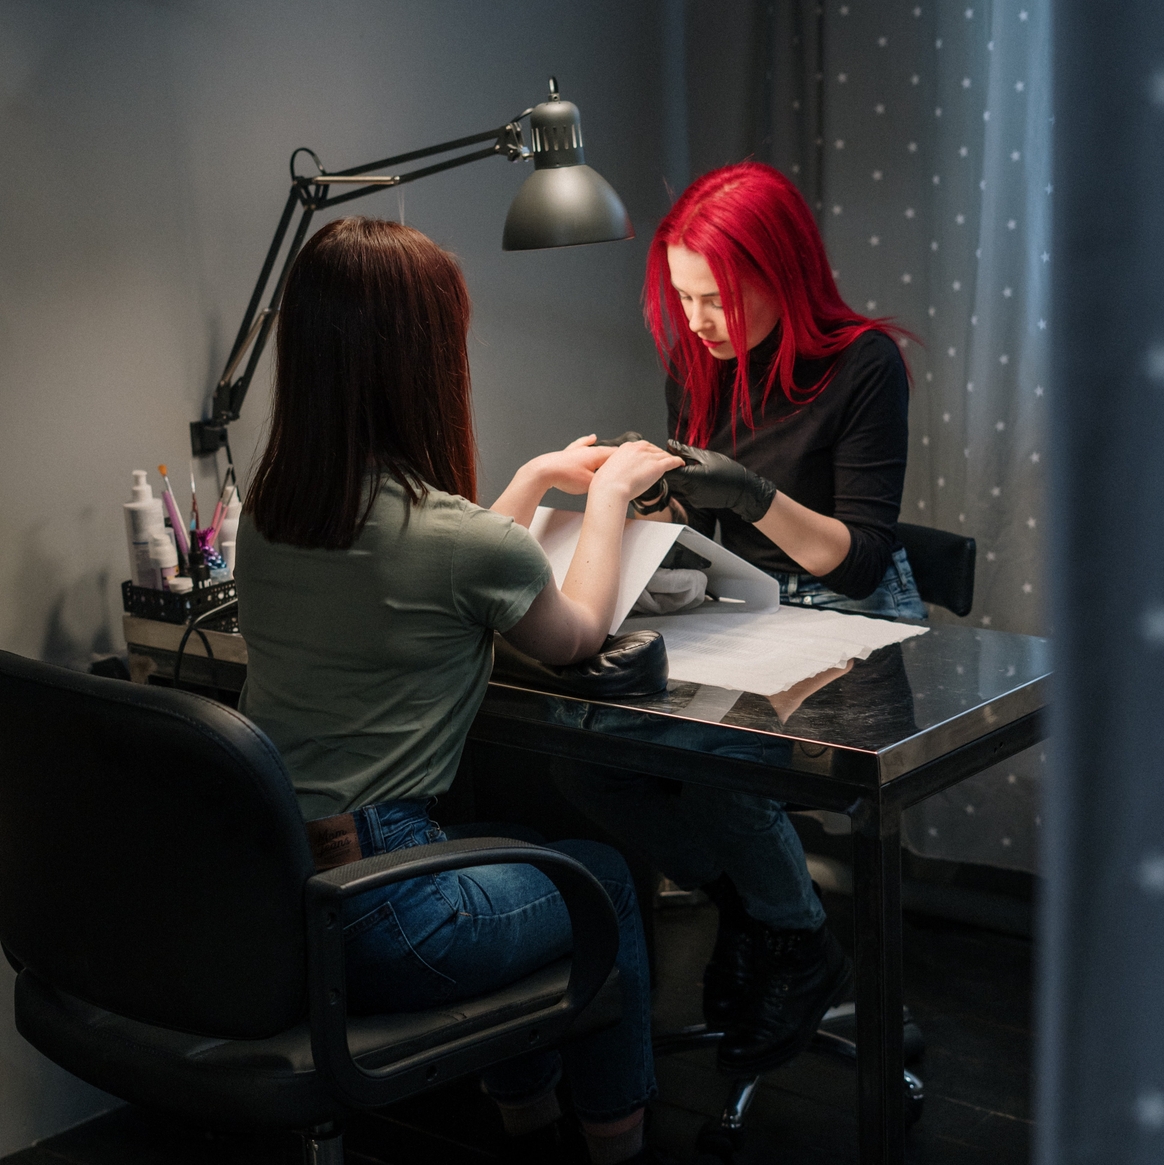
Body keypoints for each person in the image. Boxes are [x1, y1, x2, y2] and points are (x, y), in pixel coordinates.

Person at [234, 216, 682, 1164]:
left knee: (511, 848)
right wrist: (603, 500)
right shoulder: (458, 542)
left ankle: (527, 1130)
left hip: (277, 890)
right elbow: (577, 632)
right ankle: (618, 1147)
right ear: (423, 360)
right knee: (601, 879)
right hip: (389, 907)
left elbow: (429, 569)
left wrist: (525, 483)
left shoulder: (274, 515)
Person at [558, 162, 926, 1076]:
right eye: (684, 300)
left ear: (782, 274)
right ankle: (762, 910)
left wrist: (754, 495)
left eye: (715, 299)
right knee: (587, 750)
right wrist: (654, 514)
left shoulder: (865, 365)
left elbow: (861, 557)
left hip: (852, 617)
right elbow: (714, 540)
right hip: (749, 608)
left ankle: (796, 939)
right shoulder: (700, 361)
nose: (698, 323)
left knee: (712, 749)